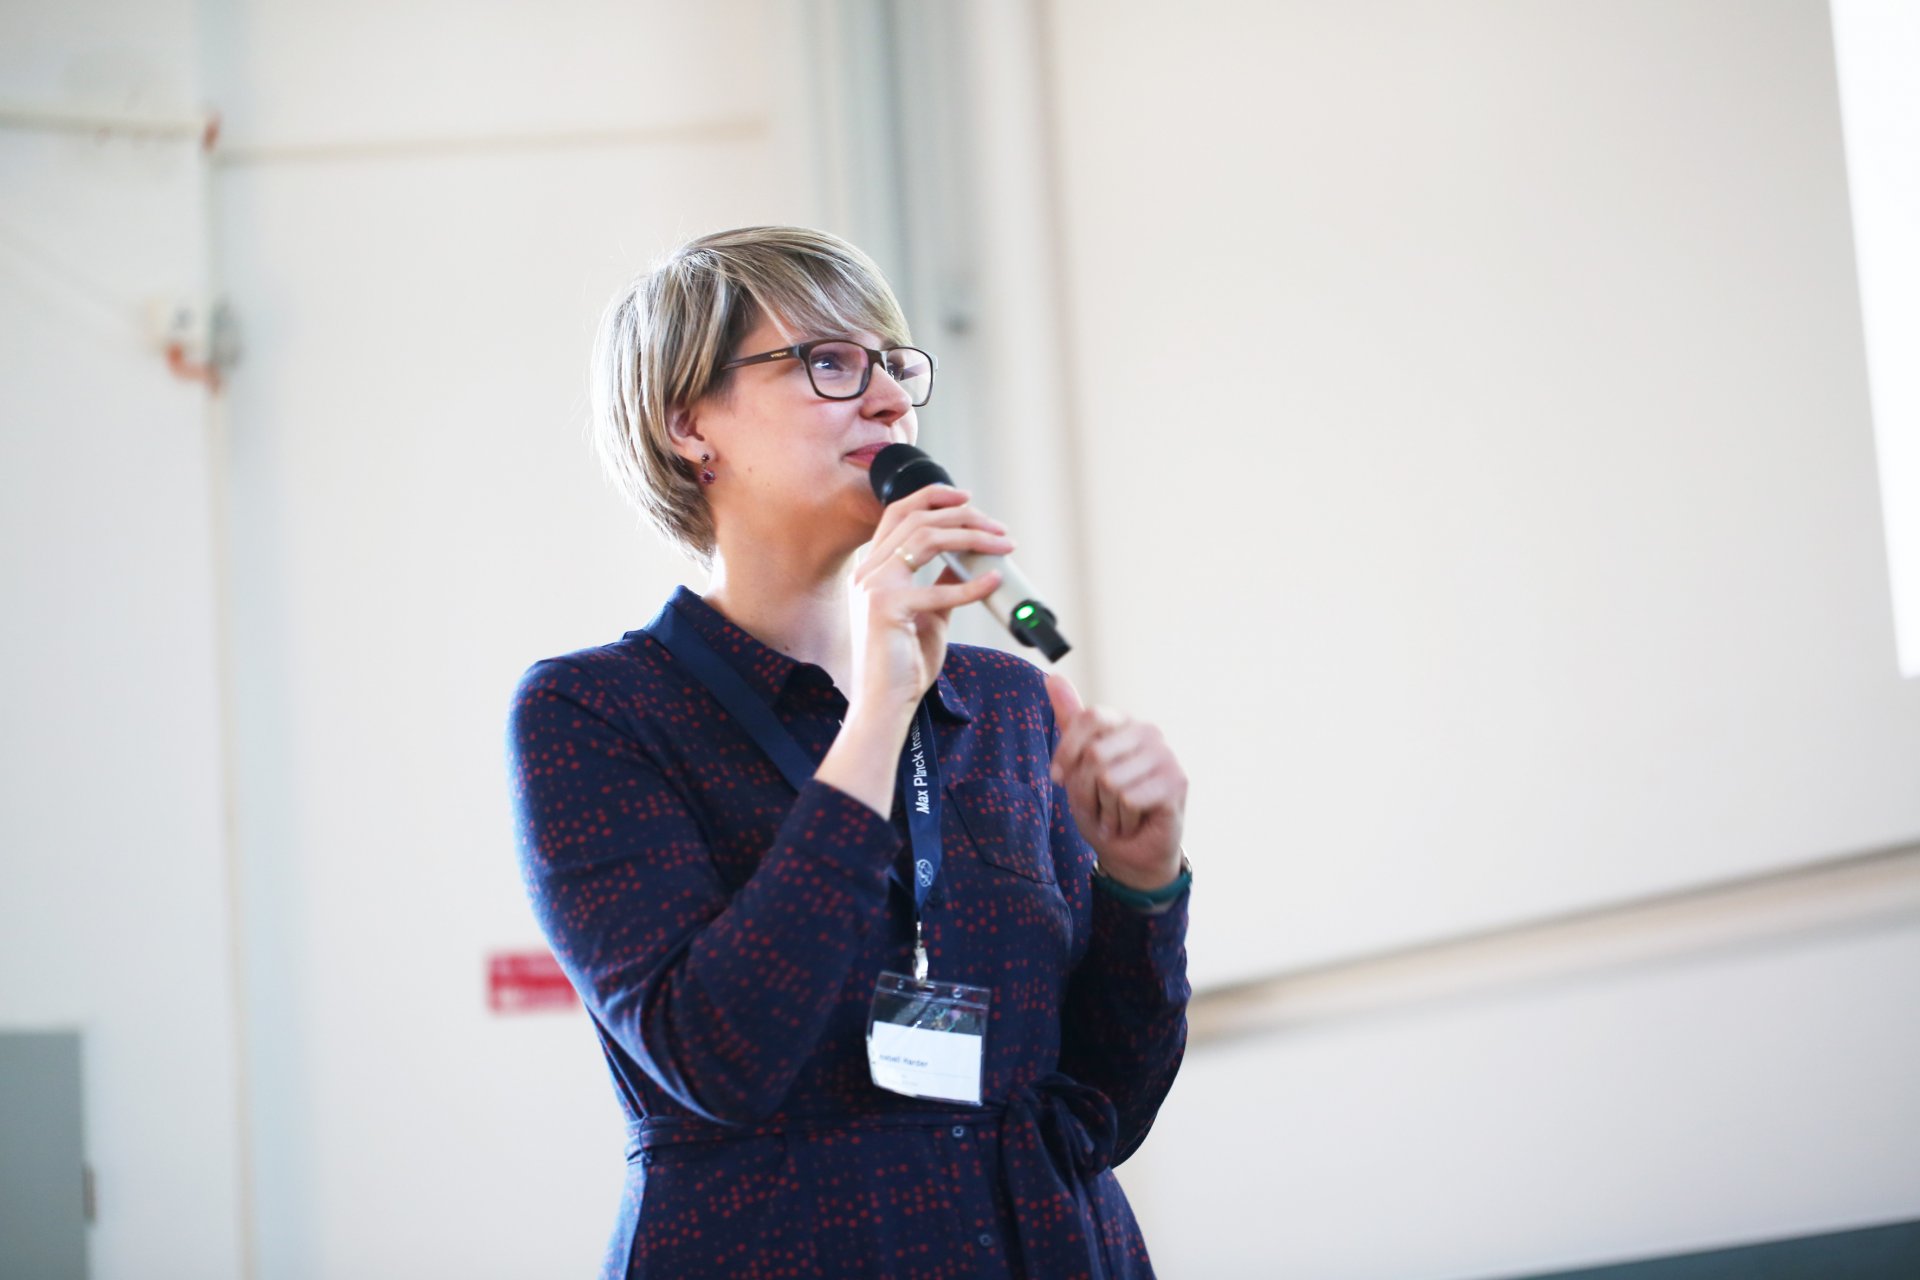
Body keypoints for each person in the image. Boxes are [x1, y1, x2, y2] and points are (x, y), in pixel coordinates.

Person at [506, 225, 1192, 1279]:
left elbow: (1100, 1105)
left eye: (893, 365)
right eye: (827, 361)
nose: (885, 398)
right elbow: (719, 1053)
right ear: (689, 424)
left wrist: (1142, 887)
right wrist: (876, 712)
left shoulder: (1005, 702)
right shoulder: (597, 710)